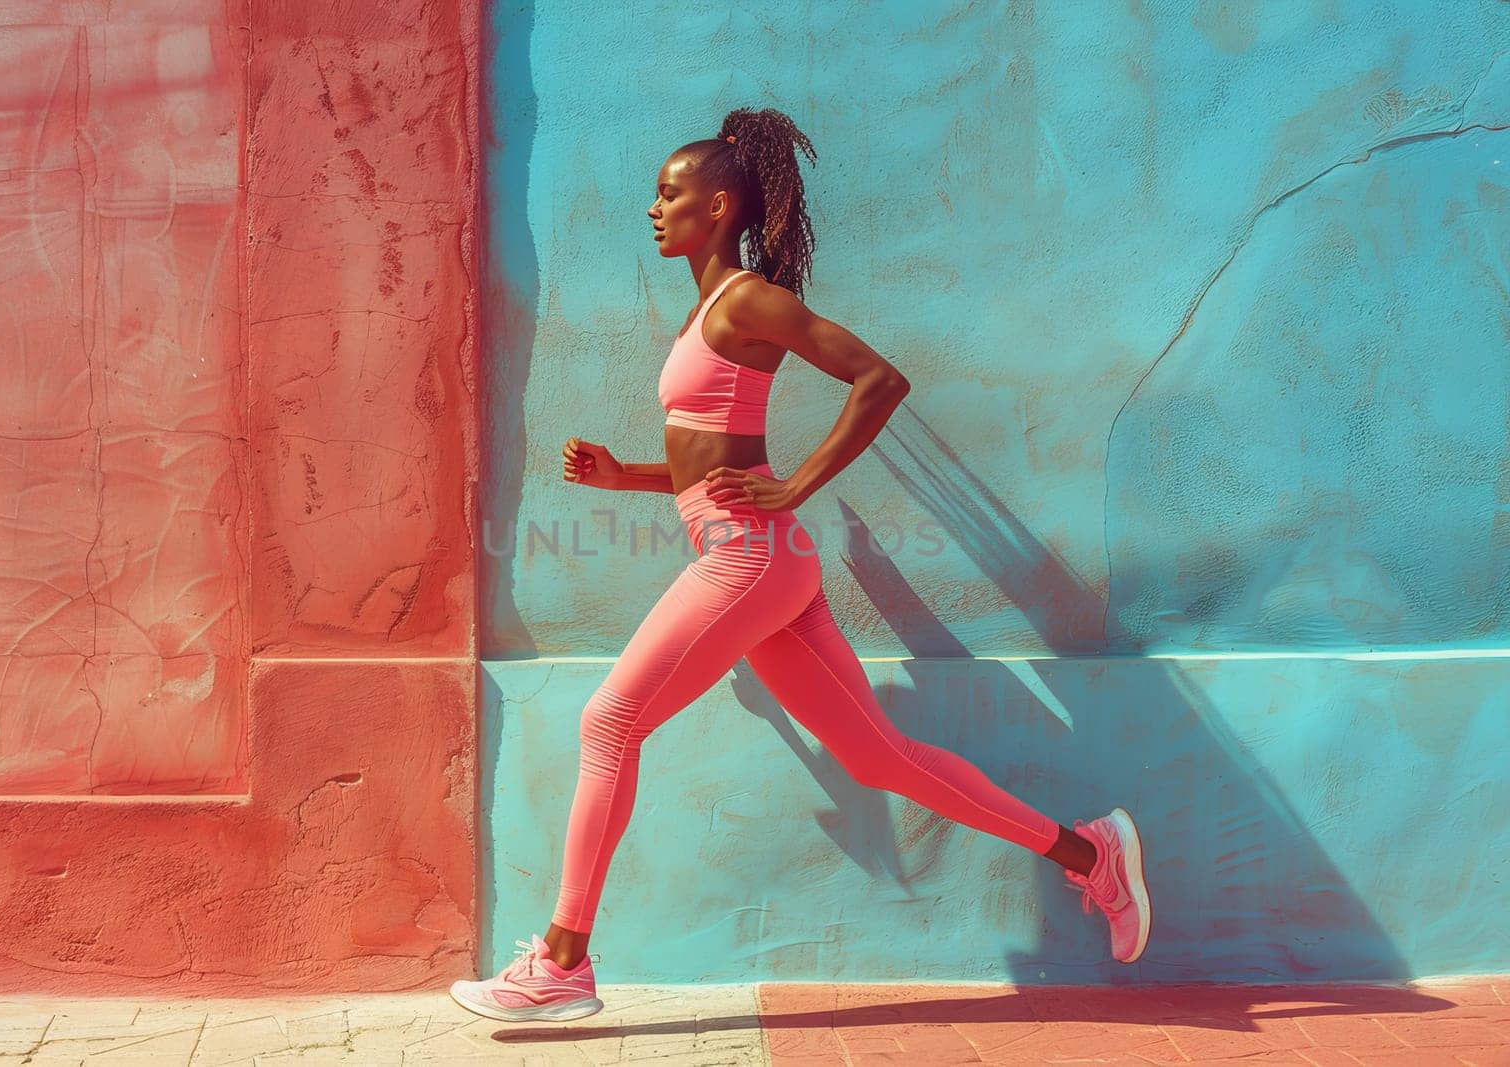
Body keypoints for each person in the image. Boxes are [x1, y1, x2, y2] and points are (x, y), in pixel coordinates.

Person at [450, 107, 1152, 1023]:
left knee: (609, 720)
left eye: (670, 194)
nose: (653, 209)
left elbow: (878, 379)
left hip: (751, 556)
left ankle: (563, 961)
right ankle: (1090, 852)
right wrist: (628, 477)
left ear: (719, 203)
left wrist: (800, 485)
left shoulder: (744, 299)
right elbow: (717, 464)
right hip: (755, 556)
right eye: (656, 195)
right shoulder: (708, 311)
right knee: (878, 755)